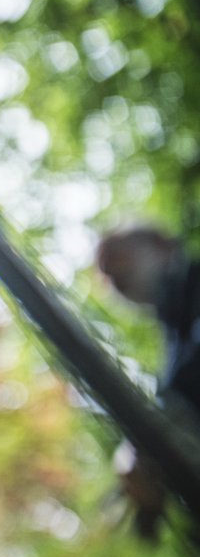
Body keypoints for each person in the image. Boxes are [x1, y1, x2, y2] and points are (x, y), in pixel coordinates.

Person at [96, 226, 200, 539]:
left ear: (161, 243)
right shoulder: (174, 333)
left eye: (120, 258)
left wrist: (150, 431)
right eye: (111, 277)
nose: (118, 278)